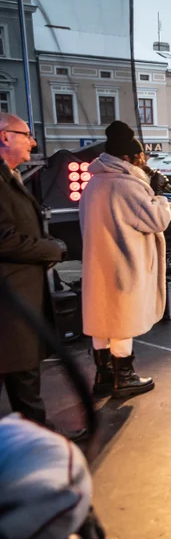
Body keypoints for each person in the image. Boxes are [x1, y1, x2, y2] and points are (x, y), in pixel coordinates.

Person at [80, 121, 171, 399]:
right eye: (141, 157)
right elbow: (156, 220)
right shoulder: (126, 185)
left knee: (101, 318)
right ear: (128, 158)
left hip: (99, 262)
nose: (144, 162)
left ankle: (104, 375)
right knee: (121, 319)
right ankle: (125, 376)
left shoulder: (95, 182)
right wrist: (159, 196)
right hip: (123, 262)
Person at [0, 114, 75, 429]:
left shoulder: (11, 176)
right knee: (23, 376)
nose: (33, 141)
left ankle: (38, 440)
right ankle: (40, 445)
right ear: (5, 137)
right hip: (10, 305)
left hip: (16, 303)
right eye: (26, 134)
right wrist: (50, 250)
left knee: (24, 377)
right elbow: (4, 239)